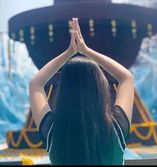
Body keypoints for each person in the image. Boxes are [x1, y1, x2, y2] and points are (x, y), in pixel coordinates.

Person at [29, 18, 134, 165]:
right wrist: (86, 50)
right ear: (100, 87)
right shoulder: (116, 127)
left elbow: (36, 84)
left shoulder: (53, 131)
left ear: (63, 91)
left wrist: (69, 52)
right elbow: (126, 78)